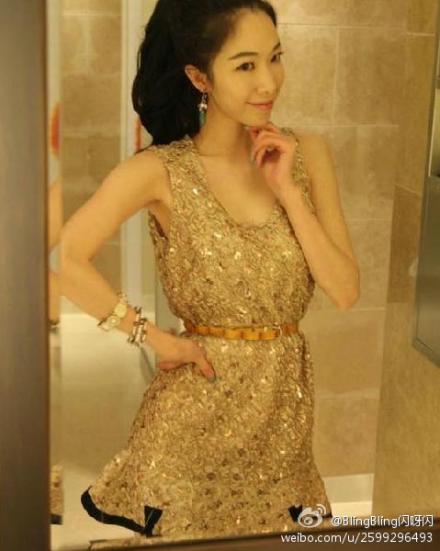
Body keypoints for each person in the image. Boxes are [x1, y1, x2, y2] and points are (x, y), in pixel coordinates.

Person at [60, 0, 360, 541]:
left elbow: (344, 291)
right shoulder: (161, 171)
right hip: (192, 426)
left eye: (275, 57)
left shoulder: (307, 154)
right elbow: (64, 259)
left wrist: (290, 193)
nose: (268, 81)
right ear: (200, 77)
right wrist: (153, 338)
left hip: (282, 433)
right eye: (245, 65)